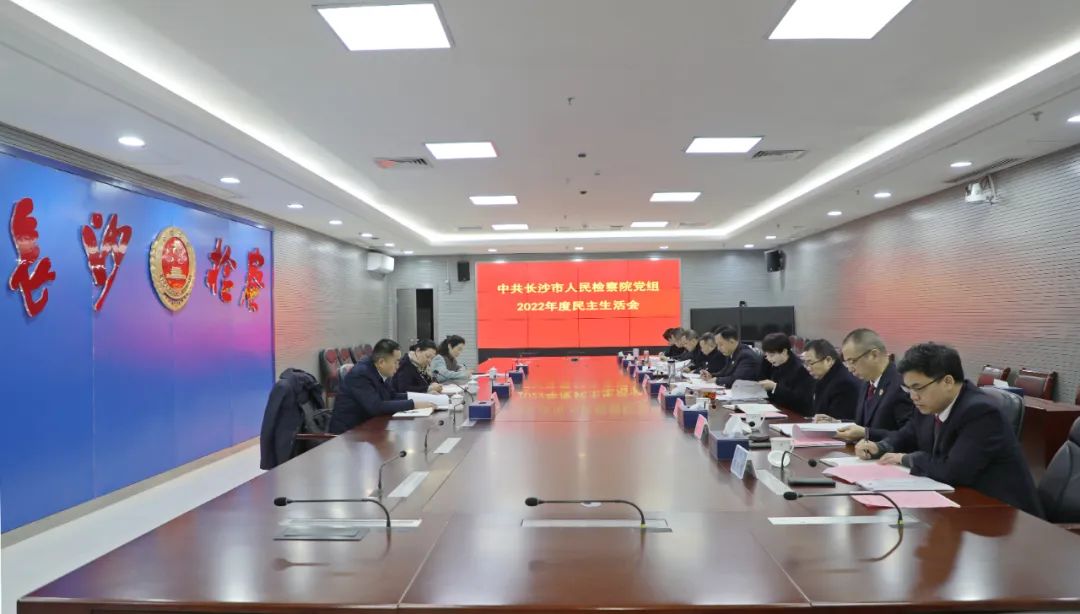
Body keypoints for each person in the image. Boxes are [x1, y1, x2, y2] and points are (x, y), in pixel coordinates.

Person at [855, 343, 1042, 517]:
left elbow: (953, 471)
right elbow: (908, 434)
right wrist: (881, 447)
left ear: (948, 382)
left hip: (1003, 514)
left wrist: (906, 458)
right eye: (908, 388)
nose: (913, 396)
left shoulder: (980, 412)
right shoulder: (930, 404)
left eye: (918, 388)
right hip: (960, 503)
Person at [328, 339, 435, 433]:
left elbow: (392, 395)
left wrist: (424, 397)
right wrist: (413, 404)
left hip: (367, 428)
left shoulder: (379, 370)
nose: (398, 366)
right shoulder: (361, 374)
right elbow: (376, 407)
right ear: (381, 362)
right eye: (396, 362)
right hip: (347, 434)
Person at [834, 328, 914, 442]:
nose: (850, 369)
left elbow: (909, 436)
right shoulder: (867, 382)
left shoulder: (901, 385)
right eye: (846, 363)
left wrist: (867, 434)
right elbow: (864, 424)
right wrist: (838, 423)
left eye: (852, 361)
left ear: (874, 355)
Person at [803, 338, 860, 421]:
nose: (808, 368)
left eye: (810, 363)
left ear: (828, 360)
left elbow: (837, 421)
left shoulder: (844, 384)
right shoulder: (823, 377)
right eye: (805, 364)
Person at [757, 332, 813, 416]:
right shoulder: (768, 362)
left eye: (771, 355)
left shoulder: (800, 369)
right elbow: (760, 379)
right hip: (774, 410)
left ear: (784, 351)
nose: (768, 359)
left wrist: (774, 387)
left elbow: (800, 399)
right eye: (766, 355)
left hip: (796, 414)